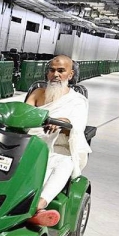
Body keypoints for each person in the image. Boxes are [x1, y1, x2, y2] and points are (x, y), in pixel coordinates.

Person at [25, 55, 92, 226]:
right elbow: (24, 114)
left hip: (59, 148)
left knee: (64, 164)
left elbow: (77, 127)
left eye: (61, 71)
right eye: (52, 70)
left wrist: (64, 122)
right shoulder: (37, 93)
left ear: (70, 75)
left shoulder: (77, 100)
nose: (55, 74)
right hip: (30, 143)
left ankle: (39, 206)